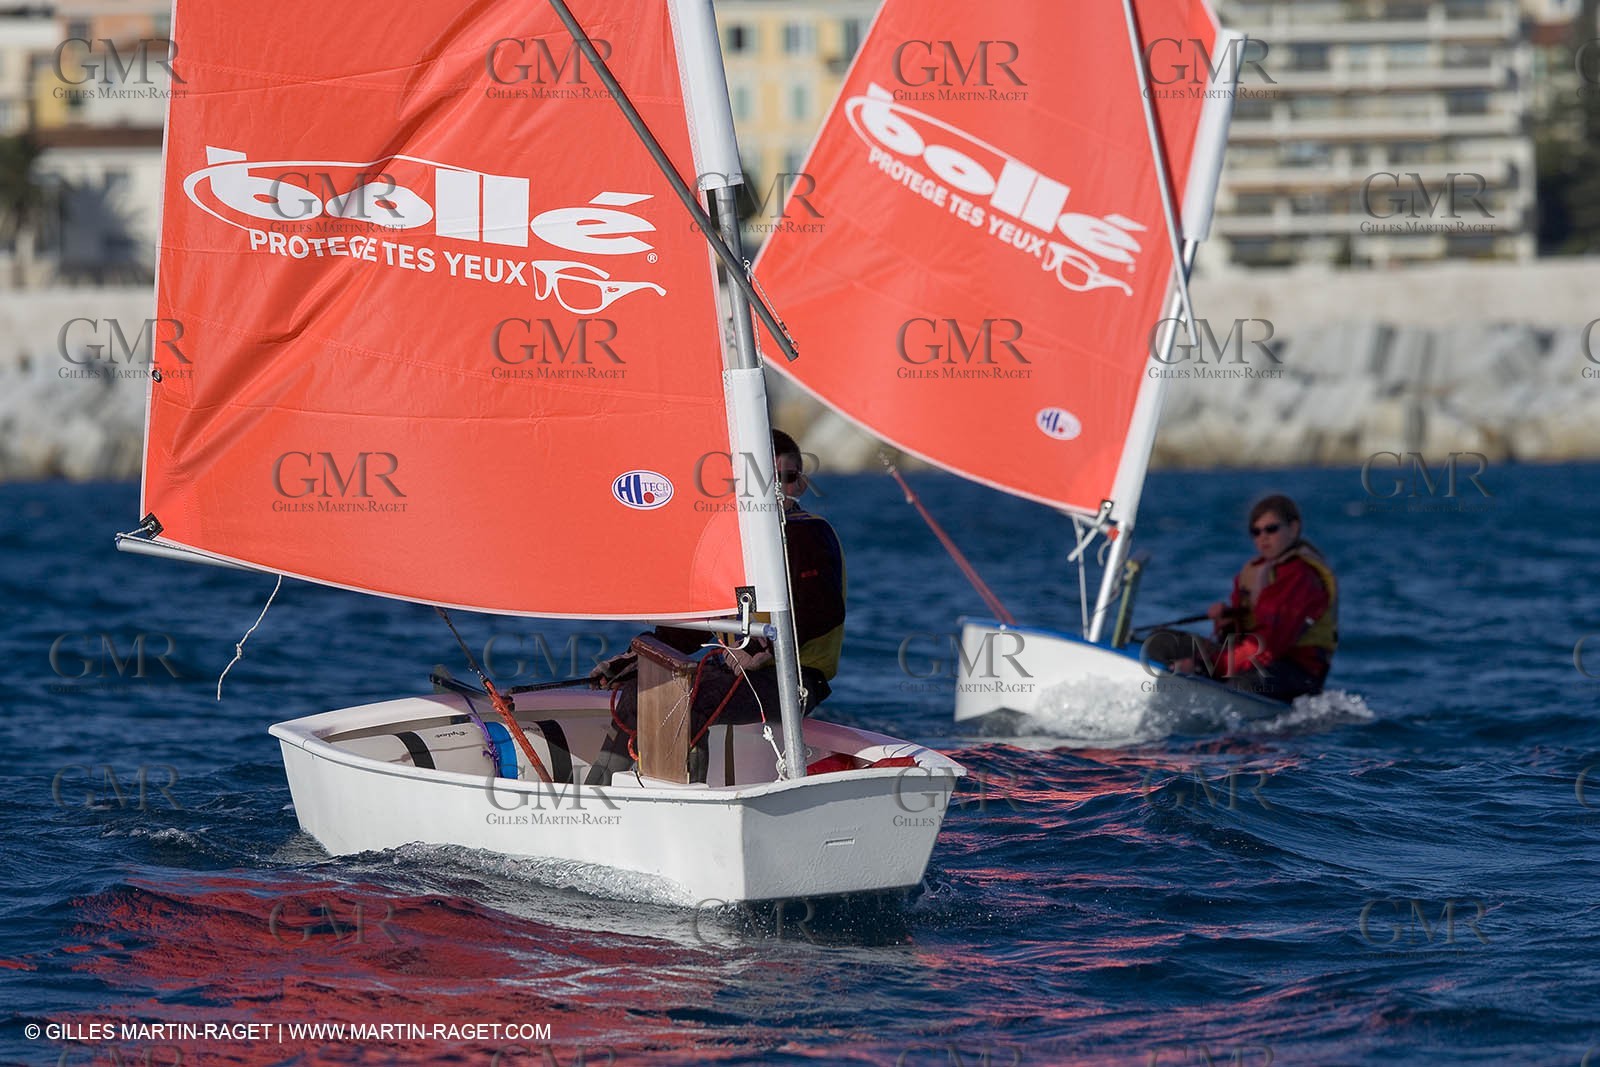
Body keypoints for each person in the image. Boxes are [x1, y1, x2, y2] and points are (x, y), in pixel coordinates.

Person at [583, 430, 845, 785]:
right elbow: (691, 622)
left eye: (789, 478)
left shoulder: (808, 534)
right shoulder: (727, 540)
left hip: (793, 678)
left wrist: (759, 647)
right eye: (767, 479)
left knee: (687, 704)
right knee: (636, 696)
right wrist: (634, 661)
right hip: (733, 673)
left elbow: (822, 610)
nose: (778, 488)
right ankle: (595, 795)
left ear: (799, 485)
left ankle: (688, 803)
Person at [1143, 494, 1337, 702]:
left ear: (1294, 528)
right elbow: (1242, 639)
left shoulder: (1301, 576)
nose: (1263, 537)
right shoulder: (1253, 572)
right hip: (1253, 659)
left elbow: (1268, 646)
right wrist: (1226, 622)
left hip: (1296, 672)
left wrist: (1206, 666)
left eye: (1271, 529)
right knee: (1161, 642)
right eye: (1256, 532)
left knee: (1240, 684)